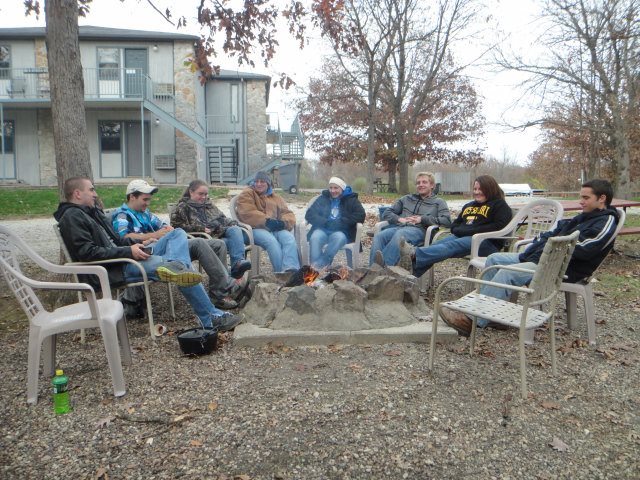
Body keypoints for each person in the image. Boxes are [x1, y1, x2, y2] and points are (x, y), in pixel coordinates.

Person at [54, 177, 241, 331]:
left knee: (177, 233)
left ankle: (177, 266)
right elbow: (87, 253)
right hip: (115, 267)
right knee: (179, 269)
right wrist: (129, 250)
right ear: (77, 193)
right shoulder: (72, 217)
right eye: (91, 190)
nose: (95, 193)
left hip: (126, 257)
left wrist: (138, 244)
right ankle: (210, 317)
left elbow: (117, 241)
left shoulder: (91, 213)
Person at [438, 179, 620, 337]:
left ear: (602, 198)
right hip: (539, 259)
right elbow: (554, 232)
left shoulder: (606, 221)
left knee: (507, 273)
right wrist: (543, 242)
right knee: (494, 259)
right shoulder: (584, 217)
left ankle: (472, 320)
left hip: (561, 268)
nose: (581, 201)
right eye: (581, 197)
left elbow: (585, 248)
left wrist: (549, 246)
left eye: (586, 198)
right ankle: (494, 315)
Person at [112, 179, 246, 310]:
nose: (148, 203)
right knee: (195, 240)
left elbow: (165, 226)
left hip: (168, 247)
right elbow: (124, 237)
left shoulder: (145, 213)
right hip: (150, 254)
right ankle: (227, 288)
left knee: (218, 244)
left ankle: (219, 291)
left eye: (149, 199)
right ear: (132, 197)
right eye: (145, 199)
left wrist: (167, 230)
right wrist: (154, 235)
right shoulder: (122, 215)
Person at [398, 174, 513, 278]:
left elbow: (499, 226)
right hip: (464, 238)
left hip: (486, 243)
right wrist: (463, 231)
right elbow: (454, 225)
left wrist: (470, 231)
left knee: (451, 245)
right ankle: (408, 276)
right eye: (475, 189)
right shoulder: (469, 206)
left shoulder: (499, 205)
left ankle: (414, 253)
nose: (477, 192)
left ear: (490, 189)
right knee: (438, 245)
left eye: (480, 189)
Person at [170, 179, 252, 279]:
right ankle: (229, 276)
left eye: (205, 194)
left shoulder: (209, 205)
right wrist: (200, 228)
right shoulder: (182, 207)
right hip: (202, 241)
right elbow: (176, 228)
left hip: (217, 235)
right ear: (191, 192)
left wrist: (234, 223)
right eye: (201, 194)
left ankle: (237, 264)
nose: (204, 197)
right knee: (230, 243)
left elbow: (223, 218)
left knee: (235, 229)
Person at [370, 171, 451, 267]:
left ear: (432, 185)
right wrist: (399, 219)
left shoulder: (439, 202)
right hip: (400, 227)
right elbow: (387, 213)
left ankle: (382, 270)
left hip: (420, 231)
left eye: (424, 182)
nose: (420, 185)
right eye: (418, 183)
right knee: (380, 236)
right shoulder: (407, 199)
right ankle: (373, 269)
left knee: (400, 235)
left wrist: (422, 219)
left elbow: (447, 221)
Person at [235, 171, 300, 272]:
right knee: (271, 241)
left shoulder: (276, 197)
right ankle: (281, 274)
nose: (259, 184)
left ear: (268, 183)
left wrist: (283, 223)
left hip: (273, 229)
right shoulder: (247, 193)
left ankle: (291, 269)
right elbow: (247, 213)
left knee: (289, 238)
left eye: (262, 181)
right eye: (256, 181)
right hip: (253, 230)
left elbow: (287, 213)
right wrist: (267, 222)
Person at [304, 176, 365, 269]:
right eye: (331, 188)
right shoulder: (323, 198)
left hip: (341, 231)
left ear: (342, 188)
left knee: (339, 238)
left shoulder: (351, 199)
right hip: (322, 229)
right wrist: (325, 222)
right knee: (315, 238)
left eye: (336, 188)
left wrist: (341, 223)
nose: (332, 191)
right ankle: (318, 270)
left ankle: (315, 268)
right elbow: (309, 214)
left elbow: (360, 215)